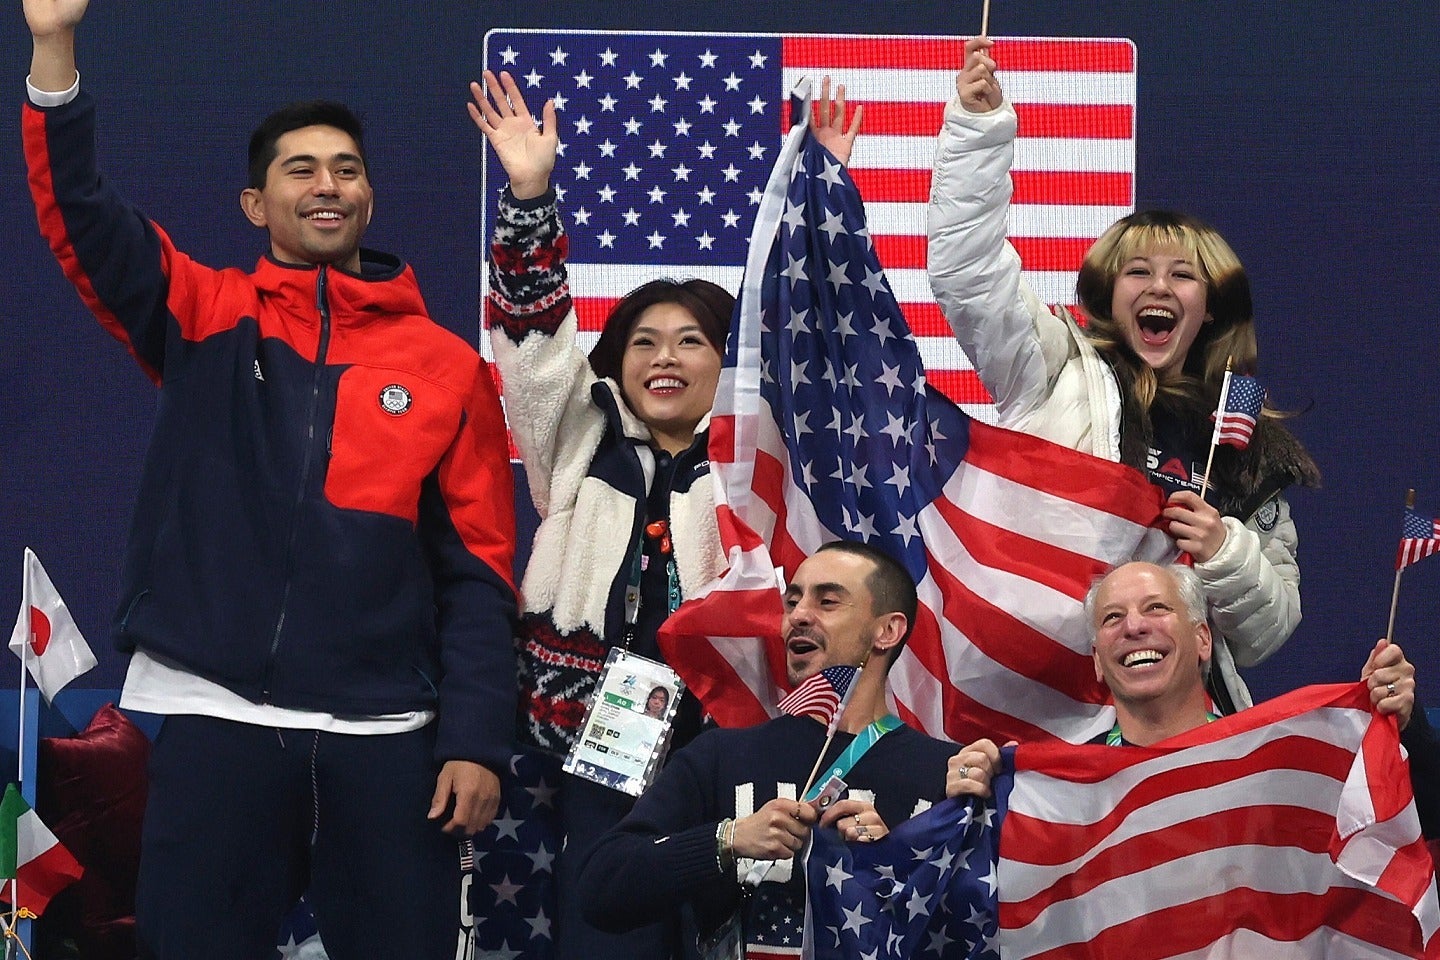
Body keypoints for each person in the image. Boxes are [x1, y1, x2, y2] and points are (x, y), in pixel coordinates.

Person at [21, 1, 518, 957]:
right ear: (256, 205)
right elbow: (79, 213)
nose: (327, 184)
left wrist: (473, 739)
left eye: (347, 168)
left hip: (387, 735)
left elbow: (478, 573)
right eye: (301, 169)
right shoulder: (207, 313)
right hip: (216, 717)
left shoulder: (447, 366)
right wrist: (53, 49)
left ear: (368, 196)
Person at [469, 68, 861, 958]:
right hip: (596, 735)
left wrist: (821, 200)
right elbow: (531, 346)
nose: (665, 358)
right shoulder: (576, 439)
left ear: (729, 362)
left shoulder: (763, 459)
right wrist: (529, 195)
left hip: (737, 727)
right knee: (611, 930)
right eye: (643, 341)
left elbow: (813, 345)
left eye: (692, 341)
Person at [927, 38, 1320, 714]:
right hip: (1048, 704)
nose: (1158, 287)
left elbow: (1266, 632)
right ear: (1110, 296)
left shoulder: (1246, 444)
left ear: (1209, 305)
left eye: (1182, 275)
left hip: (1177, 721)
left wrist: (1224, 550)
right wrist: (977, 133)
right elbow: (968, 275)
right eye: (1138, 272)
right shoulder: (1050, 370)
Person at [576, 540, 960, 952]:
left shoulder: (947, 776)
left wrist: (895, 863)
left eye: (827, 601)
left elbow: (978, 932)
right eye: (792, 602)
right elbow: (602, 888)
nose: (798, 616)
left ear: (887, 631)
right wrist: (728, 839)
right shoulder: (719, 756)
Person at [945, 561, 1440, 840]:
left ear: (1203, 639)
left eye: (1156, 608)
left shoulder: (1272, 763)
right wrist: (973, 803)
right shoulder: (1063, 793)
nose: (1134, 627)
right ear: (1097, 661)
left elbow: (1419, 824)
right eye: (1113, 617)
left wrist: (1404, 727)